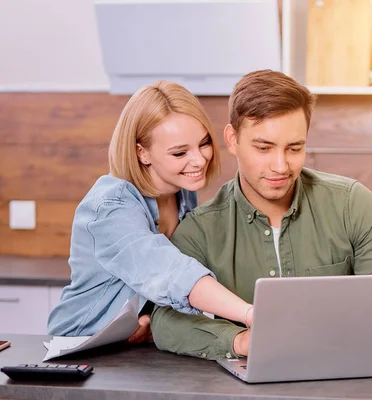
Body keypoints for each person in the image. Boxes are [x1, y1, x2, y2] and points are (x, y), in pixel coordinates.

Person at [150, 70, 372, 359]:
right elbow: (165, 321)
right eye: (263, 148)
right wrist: (239, 341)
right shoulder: (200, 230)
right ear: (232, 139)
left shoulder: (352, 205)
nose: (280, 166)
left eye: (294, 148)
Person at [47, 80, 254, 342]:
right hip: (80, 342)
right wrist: (250, 314)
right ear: (142, 153)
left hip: (131, 343)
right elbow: (171, 272)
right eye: (180, 153)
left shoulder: (182, 191)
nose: (200, 160)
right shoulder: (111, 207)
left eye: (203, 143)